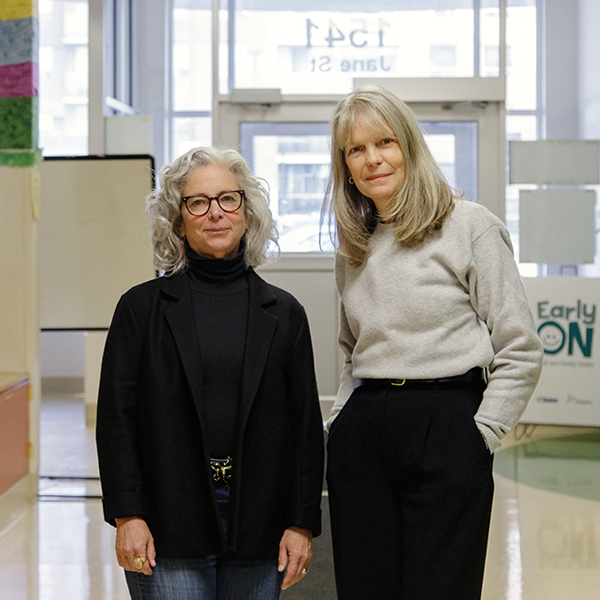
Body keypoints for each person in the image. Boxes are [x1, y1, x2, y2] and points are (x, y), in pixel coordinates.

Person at [322, 85, 543, 600]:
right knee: (364, 588)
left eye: (385, 142)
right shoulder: (353, 245)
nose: (373, 159)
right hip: (365, 432)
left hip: (447, 422)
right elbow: (351, 352)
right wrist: (341, 425)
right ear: (346, 166)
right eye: (356, 150)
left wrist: (481, 434)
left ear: (409, 145)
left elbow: (520, 346)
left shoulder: (470, 226)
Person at [96, 146, 324, 600]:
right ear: (177, 219)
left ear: (247, 210)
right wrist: (128, 515)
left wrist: (301, 522)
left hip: (260, 523)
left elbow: (304, 428)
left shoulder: (285, 313)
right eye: (198, 202)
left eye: (228, 199)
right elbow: (116, 423)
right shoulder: (141, 310)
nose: (215, 213)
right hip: (166, 521)